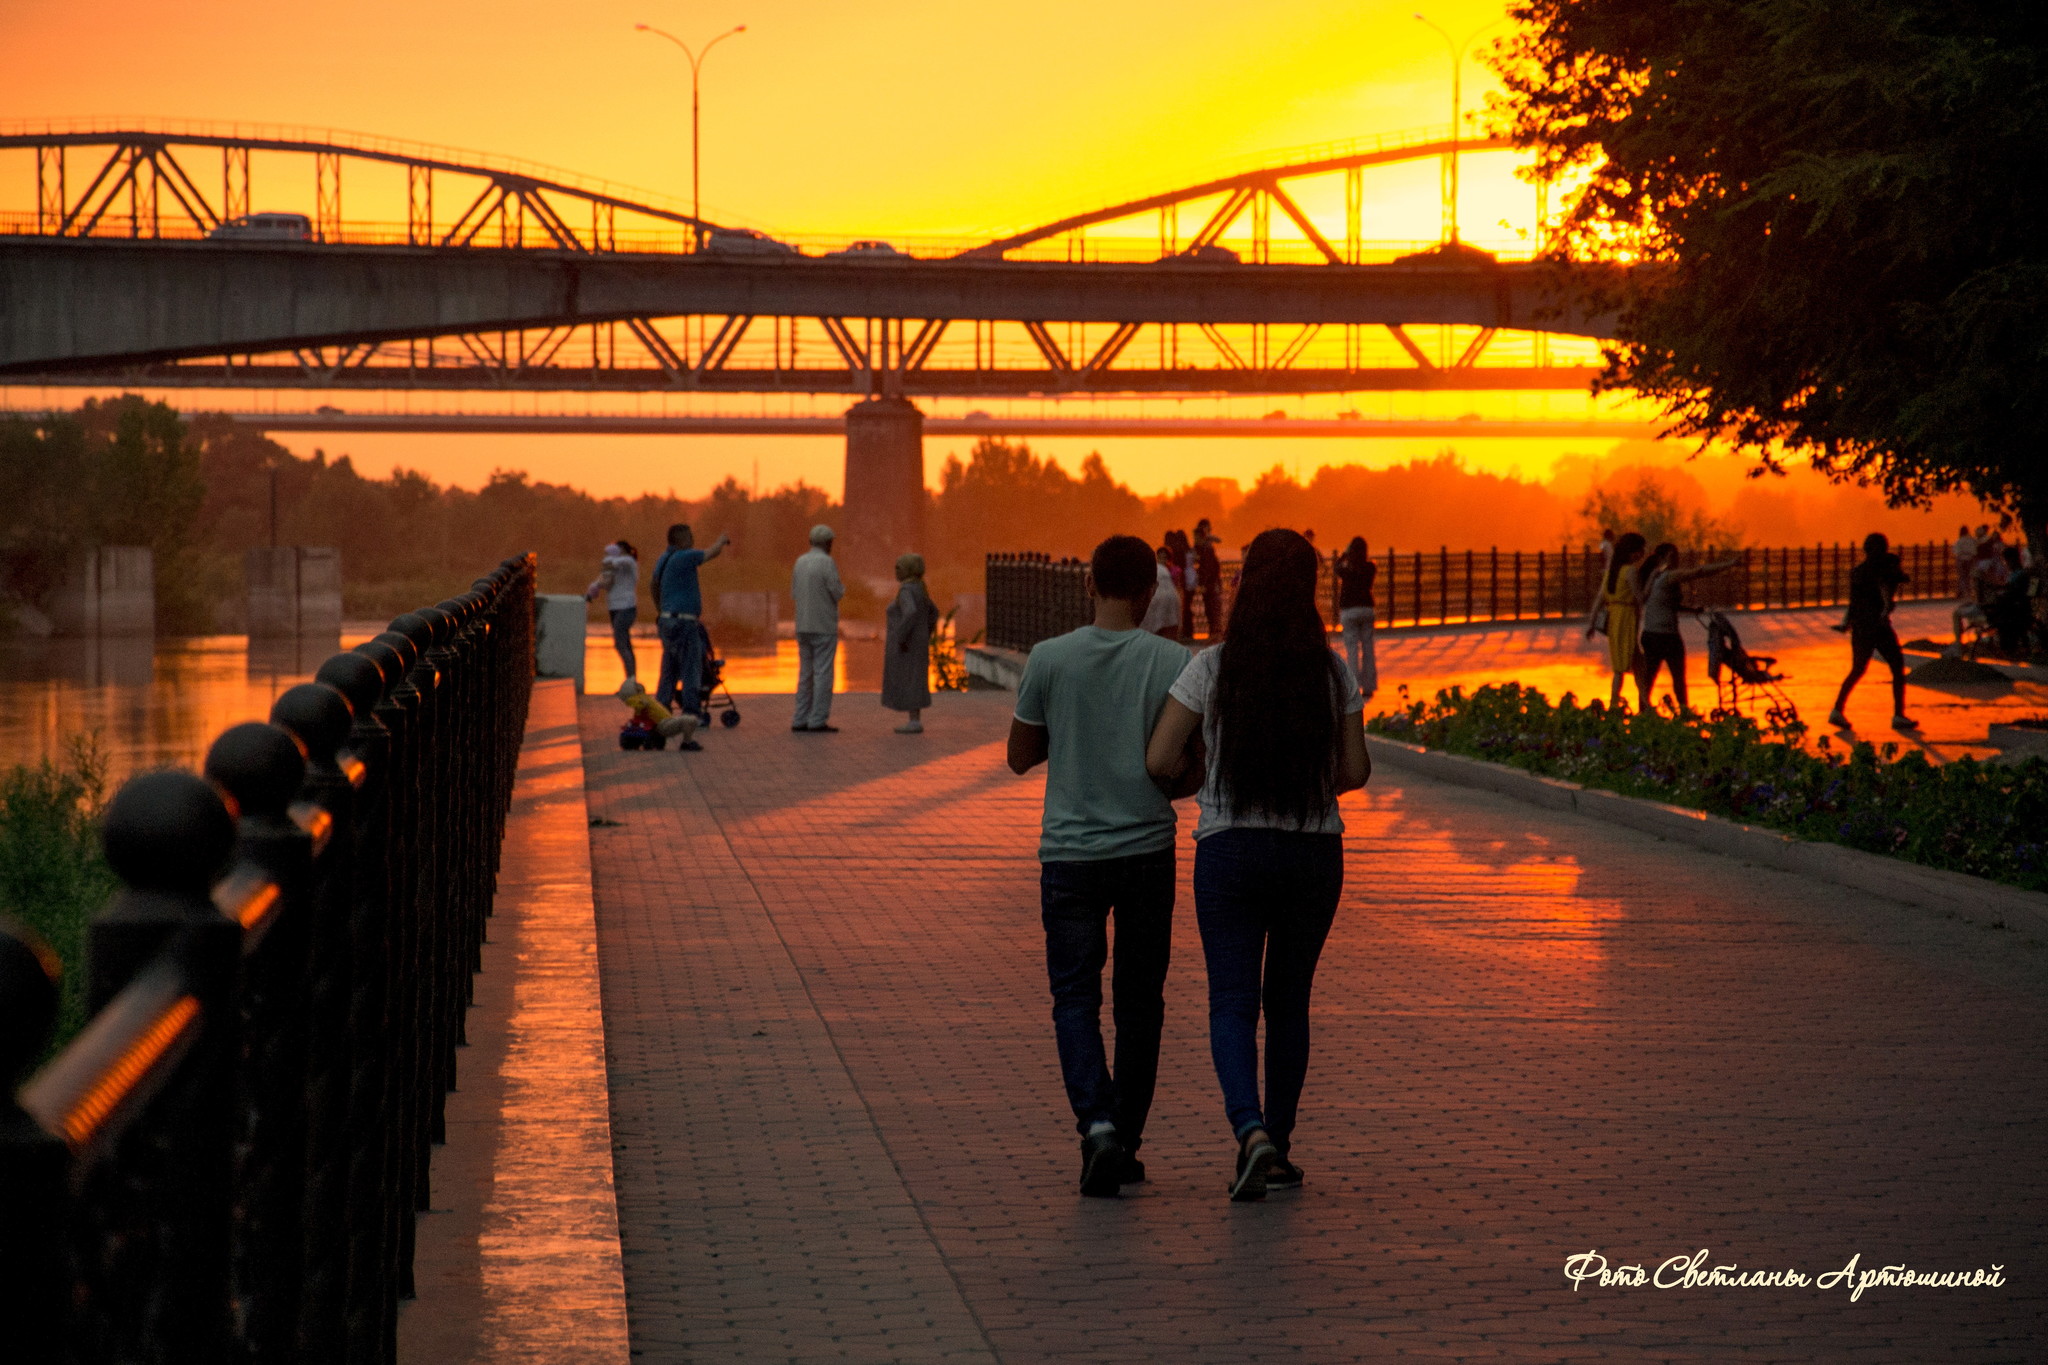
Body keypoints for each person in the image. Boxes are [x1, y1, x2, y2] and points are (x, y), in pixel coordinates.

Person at [1145, 529, 1370, 1202]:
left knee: (1233, 1000)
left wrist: (1209, 772)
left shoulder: (1212, 667)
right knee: (1289, 1000)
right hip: (1311, 851)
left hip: (1230, 849)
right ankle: (1281, 1137)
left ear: (1245, 585)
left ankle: (1250, 1131)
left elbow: (1159, 760)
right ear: (1309, 590)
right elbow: (1355, 769)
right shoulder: (1332, 671)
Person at [1008, 535, 1192, 1198]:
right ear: (1151, 592)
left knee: (1075, 997)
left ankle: (1099, 1126)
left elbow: (1019, 755)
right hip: (1147, 851)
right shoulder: (1175, 660)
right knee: (1141, 1001)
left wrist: (1070, 726)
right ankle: (1126, 1135)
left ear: (1089, 583)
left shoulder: (1050, 658)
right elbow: (1184, 767)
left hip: (1070, 855)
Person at [1634, 542, 1738, 713]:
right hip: (1664, 636)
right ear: (1662, 558)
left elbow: (1666, 605)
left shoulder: (1654, 577)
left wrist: (1691, 610)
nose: (1675, 559)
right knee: (1673, 679)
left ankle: (1647, 714)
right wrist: (1729, 565)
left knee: (1650, 679)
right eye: (1671, 556)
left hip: (1654, 635)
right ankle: (1683, 713)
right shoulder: (1667, 576)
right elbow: (1698, 572)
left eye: (1676, 555)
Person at [1829, 532, 1916, 732]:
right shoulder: (1884, 570)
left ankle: (1837, 709)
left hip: (1860, 627)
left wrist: (1846, 623)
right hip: (1878, 626)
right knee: (1896, 666)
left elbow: (1853, 603)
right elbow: (1897, 582)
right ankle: (1898, 715)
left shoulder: (1857, 572)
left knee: (1858, 669)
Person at [652, 523, 729, 724]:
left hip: (667, 621)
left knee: (669, 668)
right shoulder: (685, 556)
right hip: (685, 622)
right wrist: (721, 541)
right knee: (690, 668)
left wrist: (661, 610)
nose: (693, 540)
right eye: (689, 536)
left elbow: (654, 584)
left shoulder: (663, 558)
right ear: (681, 540)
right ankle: (691, 714)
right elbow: (711, 553)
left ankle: (661, 709)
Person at [790, 524, 844, 733]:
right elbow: (836, 591)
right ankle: (817, 720)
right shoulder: (827, 562)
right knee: (823, 674)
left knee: (805, 674)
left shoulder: (800, 562)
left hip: (802, 625)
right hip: (823, 626)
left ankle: (799, 718)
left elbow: (794, 592)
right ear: (828, 543)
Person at [1586, 532, 1646, 708]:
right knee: (1622, 666)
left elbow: (1599, 599)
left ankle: (1645, 704)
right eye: (1640, 550)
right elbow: (1640, 597)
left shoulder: (1611, 572)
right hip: (1626, 618)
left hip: (1615, 619)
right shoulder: (1630, 571)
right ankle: (1615, 705)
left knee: (1636, 663)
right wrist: (1652, 579)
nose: (1641, 554)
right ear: (1632, 552)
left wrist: (1591, 624)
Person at [882, 553, 939, 733]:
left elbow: (911, 612)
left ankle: (914, 721)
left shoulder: (906, 590)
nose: (896, 571)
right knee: (916, 677)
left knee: (910, 678)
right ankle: (914, 718)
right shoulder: (920, 588)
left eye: (898, 568)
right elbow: (933, 613)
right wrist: (926, 631)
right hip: (918, 641)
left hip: (908, 644)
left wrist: (901, 634)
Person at [585, 539, 640, 681]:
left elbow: (623, 561)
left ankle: (630, 679)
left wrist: (612, 560)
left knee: (620, 643)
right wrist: (593, 589)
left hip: (627, 607)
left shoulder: (629, 562)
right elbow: (603, 580)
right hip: (614, 608)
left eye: (618, 550)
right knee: (626, 643)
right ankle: (631, 679)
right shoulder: (612, 567)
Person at [1334, 536, 1378, 699]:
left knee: (1352, 649)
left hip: (1349, 611)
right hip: (1367, 609)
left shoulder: (1347, 570)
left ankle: (1353, 687)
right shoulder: (1370, 568)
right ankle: (1369, 687)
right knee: (1368, 649)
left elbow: (1336, 567)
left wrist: (1344, 554)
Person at [1140, 546, 1182, 639]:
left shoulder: (1157, 569)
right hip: (1170, 599)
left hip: (1158, 600)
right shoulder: (1165, 570)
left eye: (1165, 558)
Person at [1193, 518, 1224, 640]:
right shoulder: (1204, 547)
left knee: (1212, 610)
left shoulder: (1207, 548)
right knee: (1211, 610)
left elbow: (1209, 569)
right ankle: (1214, 634)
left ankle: (1215, 635)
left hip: (1210, 585)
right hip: (1211, 584)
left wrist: (1204, 584)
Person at [1954, 525, 1979, 600]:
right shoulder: (1971, 540)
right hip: (1970, 558)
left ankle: (1964, 592)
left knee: (1962, 576)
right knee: (1969, 576)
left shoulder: (1959, 541)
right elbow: (1975, 551)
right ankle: (1969, 591)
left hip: (1961, 559)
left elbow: (1957, 552)